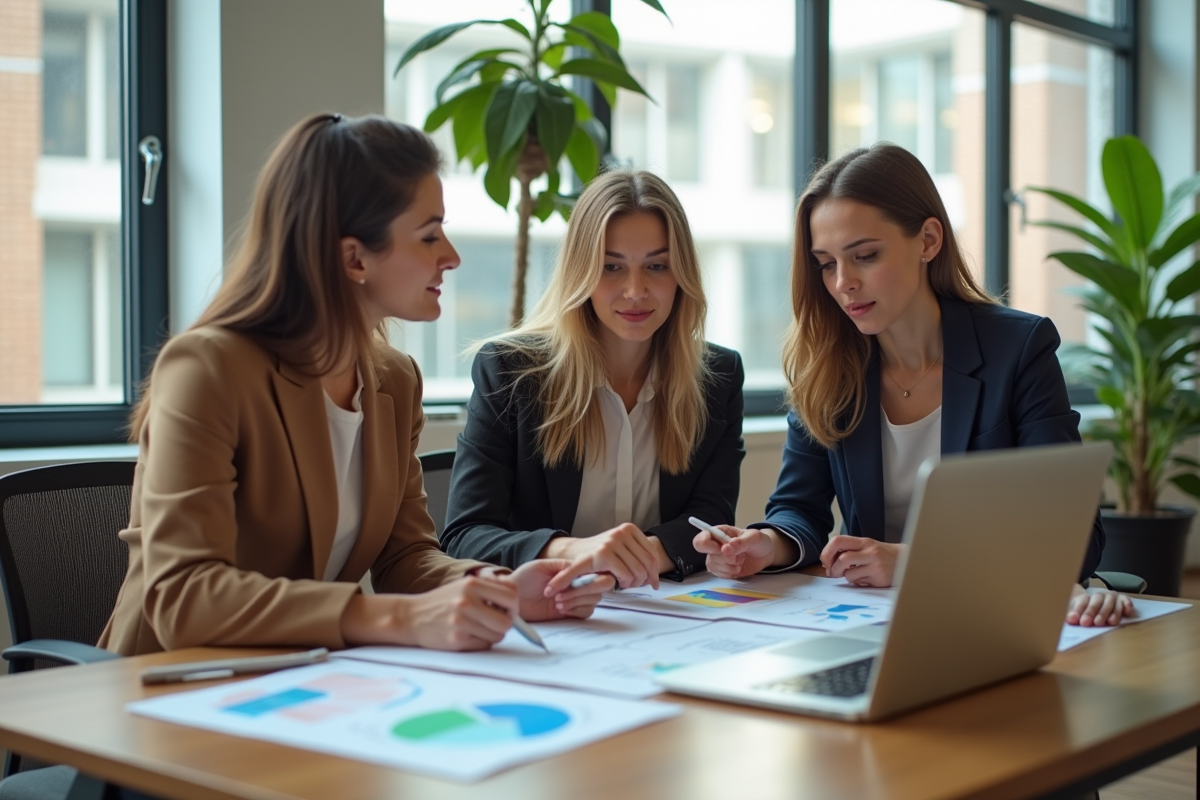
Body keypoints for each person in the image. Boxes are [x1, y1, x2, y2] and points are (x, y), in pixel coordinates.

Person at [97, 113, 613, 658]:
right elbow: (185, 598)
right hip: (165, 687)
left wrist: (497, 590)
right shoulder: (208, 369)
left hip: (299, 680)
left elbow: (405, 557)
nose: (451, 256)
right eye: (429, 235)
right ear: (353, 257)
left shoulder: (392, 380)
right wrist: (402, 618)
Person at [692, 143, 1132, 627]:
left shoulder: (1018, 349)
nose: (843, 283)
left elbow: (1073, 536)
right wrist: (768, 545)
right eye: (827, 263)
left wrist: (912, 561)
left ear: (927, 240)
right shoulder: (827, 366)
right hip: (873, 621)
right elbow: (799, 509)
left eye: (864, 256)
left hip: (990, 617)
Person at [440, 169, 745, 591]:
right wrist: (575, 552)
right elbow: (464, 536)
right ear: (580, 272)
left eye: (657, 266)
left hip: (662, 613)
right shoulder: (511, 372)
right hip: (548, 612)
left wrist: (645, 556)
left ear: (682, 275)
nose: (635, 290)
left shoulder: (718, 377)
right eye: (611, 267)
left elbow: (711, 518)